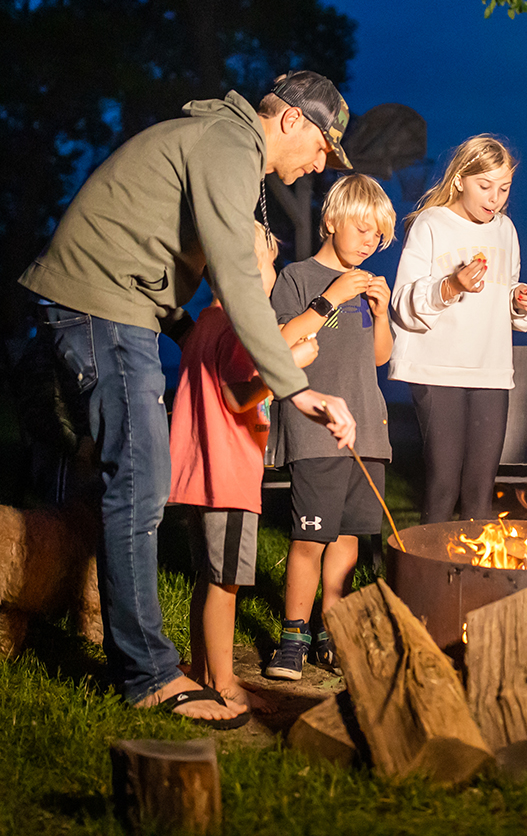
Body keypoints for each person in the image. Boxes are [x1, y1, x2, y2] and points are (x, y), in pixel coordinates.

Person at [19, 70, 358, 725]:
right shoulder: (229, 145)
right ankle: (147, 673)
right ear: (291, 120)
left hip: (119, 309)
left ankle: (104, 629)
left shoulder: (221, 145)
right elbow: (235, 277)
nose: (319, 164)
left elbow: (174, 264)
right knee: (139, 482)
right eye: (321, 147)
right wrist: (296, 388)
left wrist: (177, 325)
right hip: (103, 307)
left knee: (129, 481)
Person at [168, 223, 317, 713]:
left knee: (208, 579)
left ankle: (201, 668)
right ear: (248, 271)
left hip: (198, 474)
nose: (273, 272)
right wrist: (287, 371)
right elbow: (238, 395)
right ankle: (225, 683)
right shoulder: (235, 327)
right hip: (227, 477)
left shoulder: (206, 322)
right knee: (226, 585)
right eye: (270, 263)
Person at [265, 174, 396, 679]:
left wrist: (381, 316)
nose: (370, 242)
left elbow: (378, 358)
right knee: (310, 537)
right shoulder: (297, 277)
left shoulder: (368, 288)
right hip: (316, 429)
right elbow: (279, 339)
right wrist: (333, 296)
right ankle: (292, 637)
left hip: (367, 432)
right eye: (363, 229)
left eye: (378, 236)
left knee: (348, 539)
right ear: (331, 220)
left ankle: (331, 627)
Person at [389, 135, 527, 524]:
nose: (495, 198)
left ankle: (475, 579)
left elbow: (502, 301)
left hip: (489, 369)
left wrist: (519, 302)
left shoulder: (505, 230)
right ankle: (427, 578)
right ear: (459, 180)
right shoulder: (431, 224)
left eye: (504, 188)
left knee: (480, 489)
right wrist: (452, 285)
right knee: (443, 484)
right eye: (485, 186)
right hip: (436, 369)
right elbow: (403, 300)